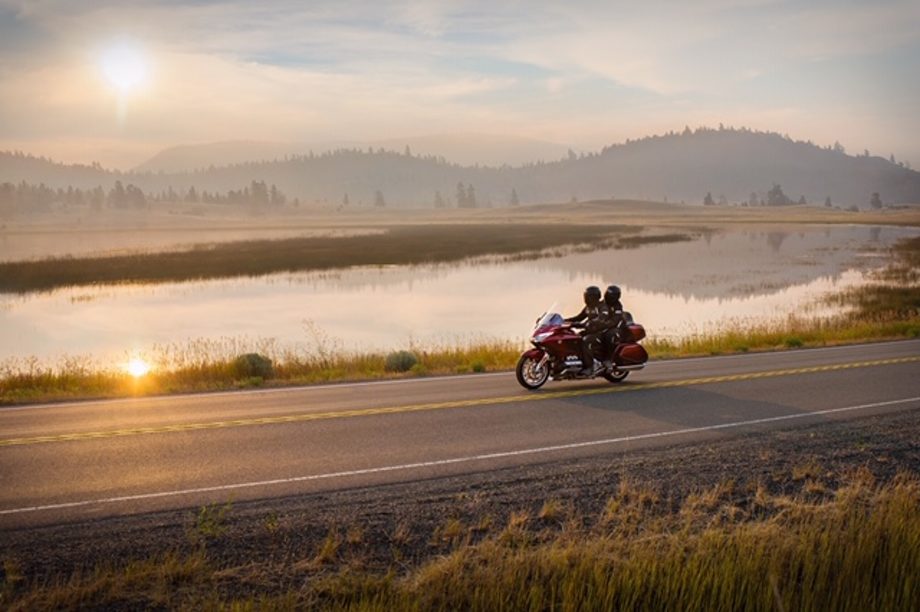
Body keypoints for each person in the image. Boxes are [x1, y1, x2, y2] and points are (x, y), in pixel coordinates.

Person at [565, 285, 610, 375]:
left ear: (593, 297)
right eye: (585, 296)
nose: (585, 298)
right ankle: (575, 362)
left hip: (600, 333)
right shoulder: (588, 308)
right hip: (590, 331)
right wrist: (562, 320)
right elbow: (578, 317)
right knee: (574, 338)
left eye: (587, 296)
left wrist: (590, 323)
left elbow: (602, 318)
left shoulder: (602, 307)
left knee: (586, 341)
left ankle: (590, 367)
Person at [601, 285, 625, 366]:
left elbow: (615, 320)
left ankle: (608, 359)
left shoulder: (617, 306)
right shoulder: (602, 303)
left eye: (614, 295)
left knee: (608, 336)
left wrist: (604, 324)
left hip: (615, 327)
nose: (611, 297)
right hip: (602, 326)